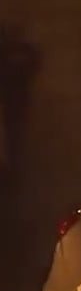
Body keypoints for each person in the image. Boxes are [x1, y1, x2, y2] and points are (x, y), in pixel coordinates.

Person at [0, 21, 40, 179]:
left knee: (13, 137)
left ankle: (12, 171)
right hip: (12, 103)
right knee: (13, 138)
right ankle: (12, 171)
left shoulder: (17, 55)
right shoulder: (19, 54)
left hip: (12, 103)